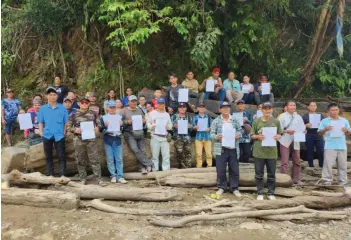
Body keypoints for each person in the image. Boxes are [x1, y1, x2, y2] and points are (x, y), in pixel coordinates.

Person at [67, 97, 107, 186]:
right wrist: (75, 129)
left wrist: (97, 128)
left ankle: (99, 179)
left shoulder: (94, 113)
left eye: (86, 102)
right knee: (80, 160)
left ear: (89, 104)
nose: (84, 104)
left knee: (95, 160)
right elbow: (68, 127)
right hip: (79, 140)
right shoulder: (73, 114)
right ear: (79, 103)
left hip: (91, 140)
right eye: (82, 102)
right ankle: (83, 179)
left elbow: (99, 124)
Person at [250, 102, 283, 200]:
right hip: (259, 151)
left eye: (269, 108)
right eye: (265, 109)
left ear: (272, 109)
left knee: (271, 174)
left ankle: (271, 193)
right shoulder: (256, 121)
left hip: (271, 152)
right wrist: (258, 136)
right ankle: (260, 192)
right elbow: (252, 135)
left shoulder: (276, 121)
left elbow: (280, 134)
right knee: (259, 174)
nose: (267, 110)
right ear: (262, 110)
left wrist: (278, 136)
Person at [210, 101, 242, 197]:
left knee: (234, 169)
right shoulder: (216, 121)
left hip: (233, 148)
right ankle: (221, 187)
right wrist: (217, 137)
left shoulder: (235, 120)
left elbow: (241, 131)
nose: (226, 109)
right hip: (221, 148)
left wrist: (238, 135)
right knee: (221, 169)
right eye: (223, 108)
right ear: (220, 109)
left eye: (227, 107)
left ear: (230, 109)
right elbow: (211, 134)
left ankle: (234, 188)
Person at [38, 87, 68, 177]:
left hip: (59, 135)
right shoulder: (43, 109)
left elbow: (65, 122)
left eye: (54, 95)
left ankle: (62, 174)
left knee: (61, 156)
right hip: (47, 135)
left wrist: (64, 132)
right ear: (47, 96)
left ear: (57, 96)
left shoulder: (62, 108)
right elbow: (40, 122)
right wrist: (41, 132)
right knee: (48, 156)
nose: (52, 97)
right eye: (50, 95)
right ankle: (50, 174)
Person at [318, 103, 351, 185]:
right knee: (328, 165)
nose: (335, 112)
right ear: (328, 111)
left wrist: (346, 131)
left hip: (342, 146)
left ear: (338, 110)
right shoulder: (324, 121)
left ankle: (342, 182)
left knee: (342, 165)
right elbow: (319, 133)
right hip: (330, 146)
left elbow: (349, 133)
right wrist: (325, 129)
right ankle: (327, 181)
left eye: (336, 110)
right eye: (332, 110)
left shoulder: (344, 120)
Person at [120, 95, 153, 174]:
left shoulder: (139, 110)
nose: (134, 103)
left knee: (143, 150)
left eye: (135, 101)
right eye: (132, 101)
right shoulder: (124, 110)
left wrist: (144, 121)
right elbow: (119, 122)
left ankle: (142, 168)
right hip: (129, 133)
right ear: (128, 102)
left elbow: (144, 119)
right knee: (135, 149)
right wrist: (127, 122)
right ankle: (149, 164)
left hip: (139, 132)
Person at [279, 100, 306, 185]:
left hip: (296, 139)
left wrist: (304, 131)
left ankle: (296, 180)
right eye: (290, 105)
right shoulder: (282, 117)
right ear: (286, 107)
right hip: (285, 140)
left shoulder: (298, 117)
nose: (293, 107)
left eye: (294, 105)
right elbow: (278, 130)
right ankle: (282, 180)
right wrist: (287, 131)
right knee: (284, 161)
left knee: (297, 160)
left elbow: (302, 127)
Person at [100, 100, 127, 184]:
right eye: (110, 107)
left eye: (113, 107)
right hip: (108, 138)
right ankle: (113, 175)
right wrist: (105, 126)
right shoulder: (104, 117)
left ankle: (120, 176)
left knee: (119, 159)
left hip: (117, 138)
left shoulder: (119, 116)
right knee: (110, 159)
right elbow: (101, 130)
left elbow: (123, 129)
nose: (112, 109)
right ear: (107, 108)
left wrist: (122, 125)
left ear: (115, 108)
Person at [147, 98, 172, 171]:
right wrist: (151, 127)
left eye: (162, 103)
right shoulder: (152, 113)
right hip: (155, 137)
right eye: (159, 103)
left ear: (164, 104)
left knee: (166, 156)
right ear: (156, 104)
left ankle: (166, 171)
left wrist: (168, 127)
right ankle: (155, 171)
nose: (161, 105)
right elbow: (148, 123)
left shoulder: (167, 114)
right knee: (155, 157)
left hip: (164, 137)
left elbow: (170, 125)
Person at [302, 102, 325, 168]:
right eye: (311, 106)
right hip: (309, 135)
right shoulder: (305, 116)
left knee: (321, 151)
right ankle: (311, 166)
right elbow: (300, 126)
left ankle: (321, 166)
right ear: (308, 107)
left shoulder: (321, 115)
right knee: (309, 151)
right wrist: (306, 125)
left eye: (314, 106)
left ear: (316, 107)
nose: (313, 107)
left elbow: (324, 125)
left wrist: (321, 124)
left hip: (319, 135)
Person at [171, 103, 193, 168]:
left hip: (187, 137)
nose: (182, 108)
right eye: (180, 107)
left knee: (188, 152)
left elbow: (192, 128)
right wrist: (174, 126)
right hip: (178, 138)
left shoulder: (189, 117)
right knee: (179, 152)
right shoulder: (174, 117)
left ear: (186, 109)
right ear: (178, 109)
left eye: (184, 107)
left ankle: (188, 166)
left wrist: (190, 126)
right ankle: (182, 165)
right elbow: (170, 127)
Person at [192, 102, 212, 168]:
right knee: (198, 154)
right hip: (198, 137)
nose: (201, 108)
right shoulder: (195, 117)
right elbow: (193, 126)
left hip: (207, 137)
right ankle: (199, 166)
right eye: (200, 107)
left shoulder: (208, 117)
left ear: (205, 108)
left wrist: (209, 128)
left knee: (209, 154)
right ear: (197, 109)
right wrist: (194, 127)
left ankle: (209, 166)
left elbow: (212, 126)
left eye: (203, 107)